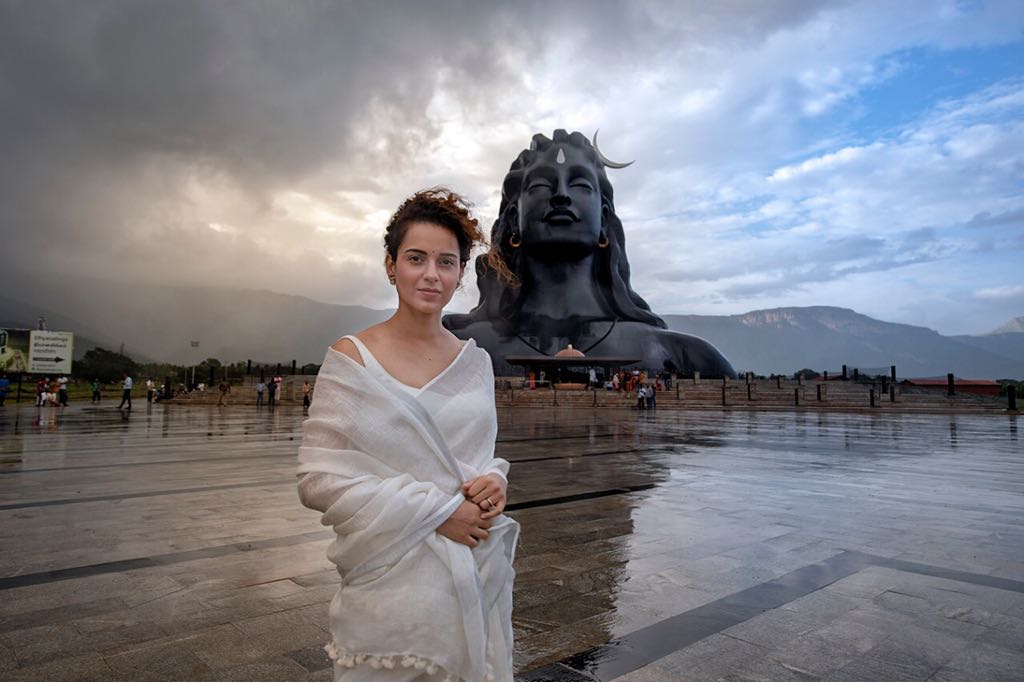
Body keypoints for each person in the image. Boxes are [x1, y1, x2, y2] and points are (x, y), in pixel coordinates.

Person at [297, 188, 518, 681]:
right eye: (416, 258)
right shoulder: (353, 359)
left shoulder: (475, 362)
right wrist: (439, 513)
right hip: (391, 588)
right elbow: (318, 480)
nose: (431, 275)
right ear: (391, 264)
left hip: (473, 570)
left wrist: (494, 482)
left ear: (461, 273)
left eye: (447, 262)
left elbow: (477, 456)